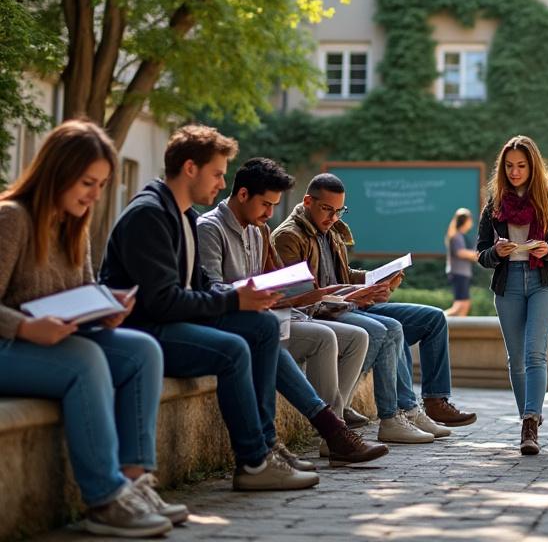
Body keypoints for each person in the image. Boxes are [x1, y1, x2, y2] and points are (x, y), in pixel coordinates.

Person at [101, 124, 318, 492]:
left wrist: (247, 298)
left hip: (173, 320)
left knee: (263, 327)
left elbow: (200, 286)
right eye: (217, 173)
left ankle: (265, 446)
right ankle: (252, 462)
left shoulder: (182, 214)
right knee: (232, 350)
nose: (222, 184)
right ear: (190, 168)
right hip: (142, 329)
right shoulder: (149, 214)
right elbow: (161, 302)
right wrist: (234, 299)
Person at [0, 120, 182, 537]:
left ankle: (133, 482)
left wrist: (104, 310)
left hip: (52, 342)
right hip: (10, 345)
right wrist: (27, 329)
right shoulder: (11, 219)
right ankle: (104, 500)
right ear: (57, 172)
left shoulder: (73, 226)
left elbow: (81, 291)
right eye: (87, 182)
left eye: (101, 185)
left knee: (142, 350)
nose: (95, 195)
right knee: (86, 359)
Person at [197, 157, 387, 467]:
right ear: (243, 194)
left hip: (270, 318)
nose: (270, 214)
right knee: (308, 336)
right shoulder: (209, 229)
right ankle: (330, 433)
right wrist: (250, 294)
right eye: (266, 204)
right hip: (234, 323)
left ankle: (323, 434)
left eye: (274, 206)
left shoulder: (257, 231)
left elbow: (274, 288)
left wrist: (309, 294)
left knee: (354, 334)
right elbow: (210, 290)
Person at [272, 173, 477, 445]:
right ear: (308, 201)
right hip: (331, 312)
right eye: (327, 210)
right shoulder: (288, 237)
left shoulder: (329, 229)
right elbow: (304, 297)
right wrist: (358, 295)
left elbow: (341, 275)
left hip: (352, 304)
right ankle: (395, 415)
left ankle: (434, 401)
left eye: (339, 211)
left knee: (433, 318)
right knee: (391, 328)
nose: (333, 217)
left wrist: (375, 279)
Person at [476, 136, 548, 456]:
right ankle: (528, 416)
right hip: (509, 285)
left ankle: (529, 423)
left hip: (544, 281)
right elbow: (481, 253)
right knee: (516, 359)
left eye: (521, 166)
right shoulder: (495, 201)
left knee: (535, 354)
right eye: (509, 166)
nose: (515, 172)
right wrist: (497, 251)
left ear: (533, 166)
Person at [444, 208, 478, 317]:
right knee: (459, 306)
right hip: (459, 273)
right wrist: (478, 254)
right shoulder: (456, 236)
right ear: (465, 221)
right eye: (470, 219)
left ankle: (459, 334)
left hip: (463, 273)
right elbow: (460, 252)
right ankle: (436, 319)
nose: (471, 222)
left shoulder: (460, 236)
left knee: (465, 305)